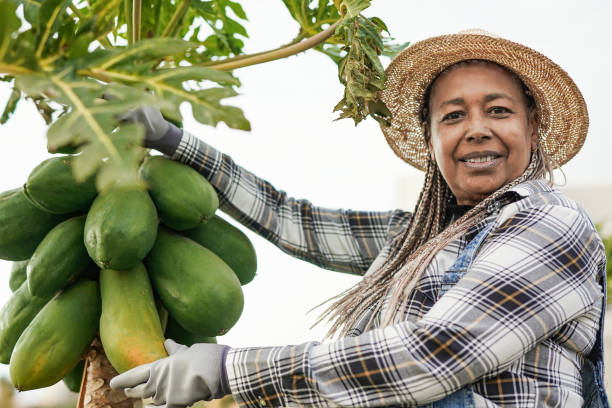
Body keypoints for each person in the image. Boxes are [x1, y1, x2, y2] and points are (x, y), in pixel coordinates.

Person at [109, 30, 609, 407]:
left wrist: (229, 369)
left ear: (533, 125)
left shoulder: (550, 224)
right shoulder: (413, 237)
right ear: (432, 142)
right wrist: (176, 143)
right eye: (453, 116)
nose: (476, 130)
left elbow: (434, 355)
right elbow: (290, 219)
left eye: (498, 111)